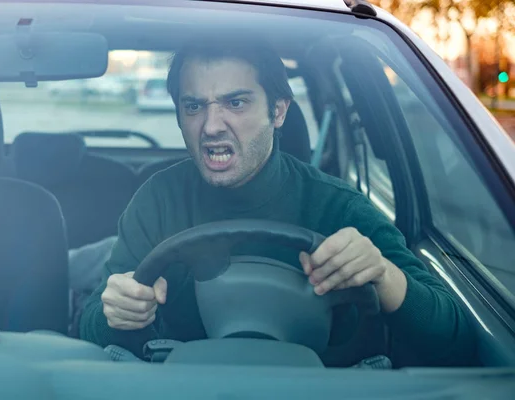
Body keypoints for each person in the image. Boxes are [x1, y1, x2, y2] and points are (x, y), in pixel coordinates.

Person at [79, 39, 476, 367]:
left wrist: (385, 275)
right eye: (194, 105)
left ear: (279, 111)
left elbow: (455, 338)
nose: (212, 125)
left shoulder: (339, 207)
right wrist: (114, 314)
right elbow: (88, 327)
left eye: (236, 103)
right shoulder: (158, 199)